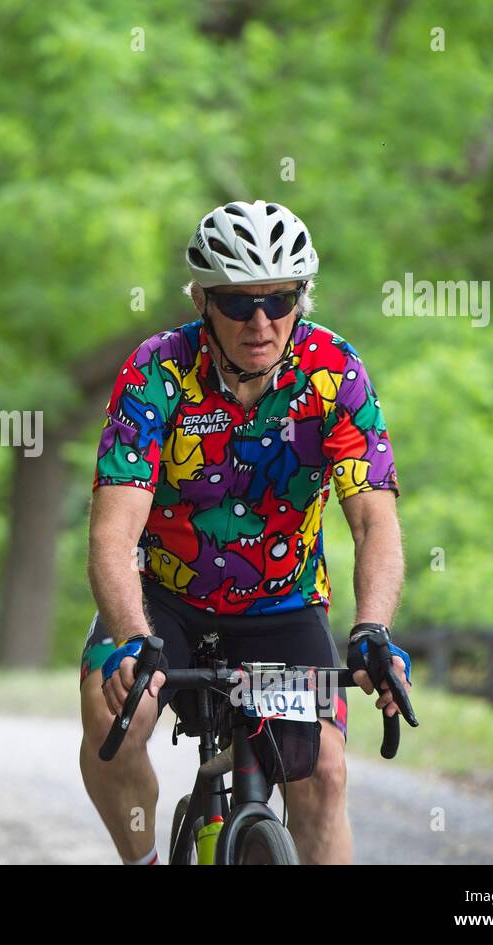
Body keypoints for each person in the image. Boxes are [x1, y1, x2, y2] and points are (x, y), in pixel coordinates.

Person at [80, 200, 412, 864]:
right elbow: (112, 536)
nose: (260, 322)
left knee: (323, 775)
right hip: (162, 605)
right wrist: (131, 639)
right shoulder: (157, 370)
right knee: (114, 721)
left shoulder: (334, 373)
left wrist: (372, 629)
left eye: (279, 299)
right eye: (237, 304)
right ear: (203, 300)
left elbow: (375, 520)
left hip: (282, 606)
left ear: (300, 297)